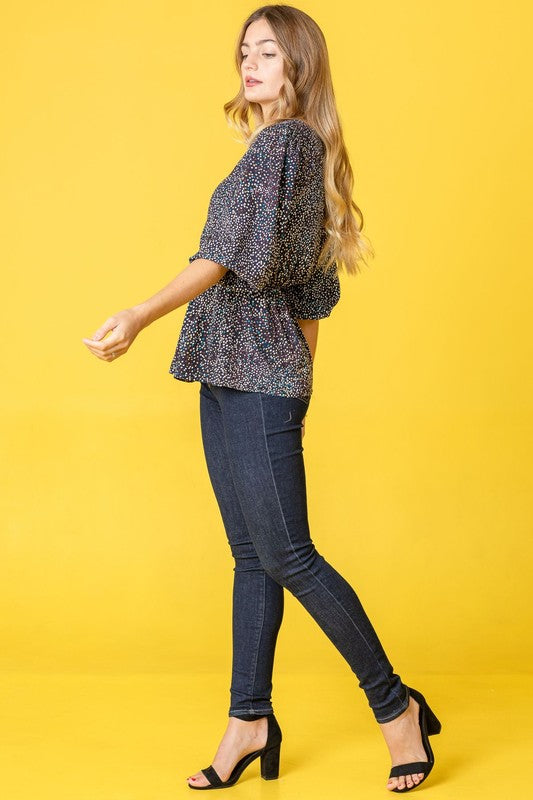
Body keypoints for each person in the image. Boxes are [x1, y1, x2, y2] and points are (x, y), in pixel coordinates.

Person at [82, 4, 442, 793]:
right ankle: (249, 719)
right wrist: (300, 383)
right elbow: (313, 292)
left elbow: (220, 256)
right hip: (236, 377)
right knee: (252, 558)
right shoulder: (289, 154)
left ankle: (396, 708)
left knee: (287, 556)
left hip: (255, 381)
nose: (249, 64)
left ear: (299, 66)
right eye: (244, 51)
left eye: (267, 52)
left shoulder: (285, 145)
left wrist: (140, 314)